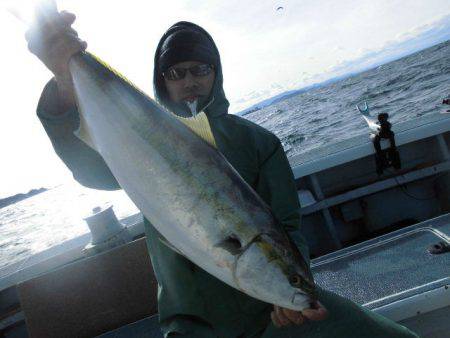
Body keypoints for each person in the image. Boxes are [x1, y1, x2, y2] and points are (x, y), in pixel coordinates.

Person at [26, 10, 418, 338]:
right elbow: (92, 172)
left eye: (200, 69)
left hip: (270, 310)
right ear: (161, 83)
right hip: (192, 322)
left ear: (217, 73)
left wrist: (287, 295)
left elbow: (286, 226)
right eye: (175, 74)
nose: (189, 81)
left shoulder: (258, 142)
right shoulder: (133, 138)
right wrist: (65, 75)